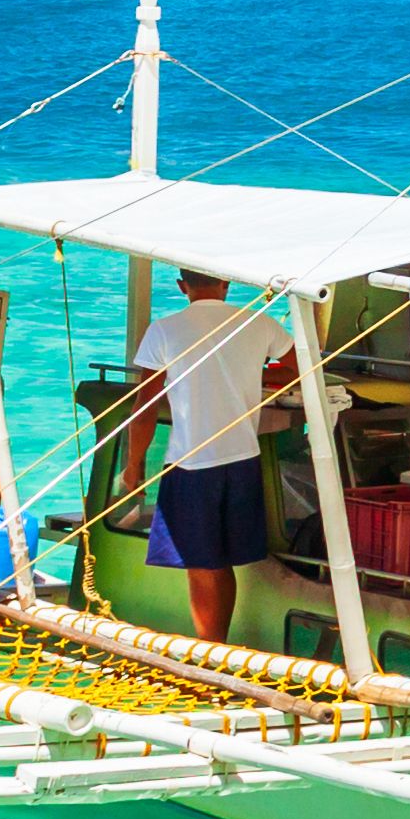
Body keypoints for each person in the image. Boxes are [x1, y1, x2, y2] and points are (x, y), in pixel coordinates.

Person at [125, 267, 286, 644]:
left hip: (192, 461)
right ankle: (218, 645)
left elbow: (144, 406)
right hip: (244, 456)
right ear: (225, 283)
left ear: (182, 287)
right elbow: (298, 365)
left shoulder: (164, 329)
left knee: (201, 565)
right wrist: (255, 379)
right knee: (220, 562)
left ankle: (209, 653)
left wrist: (134, 467)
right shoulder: (258, 323)